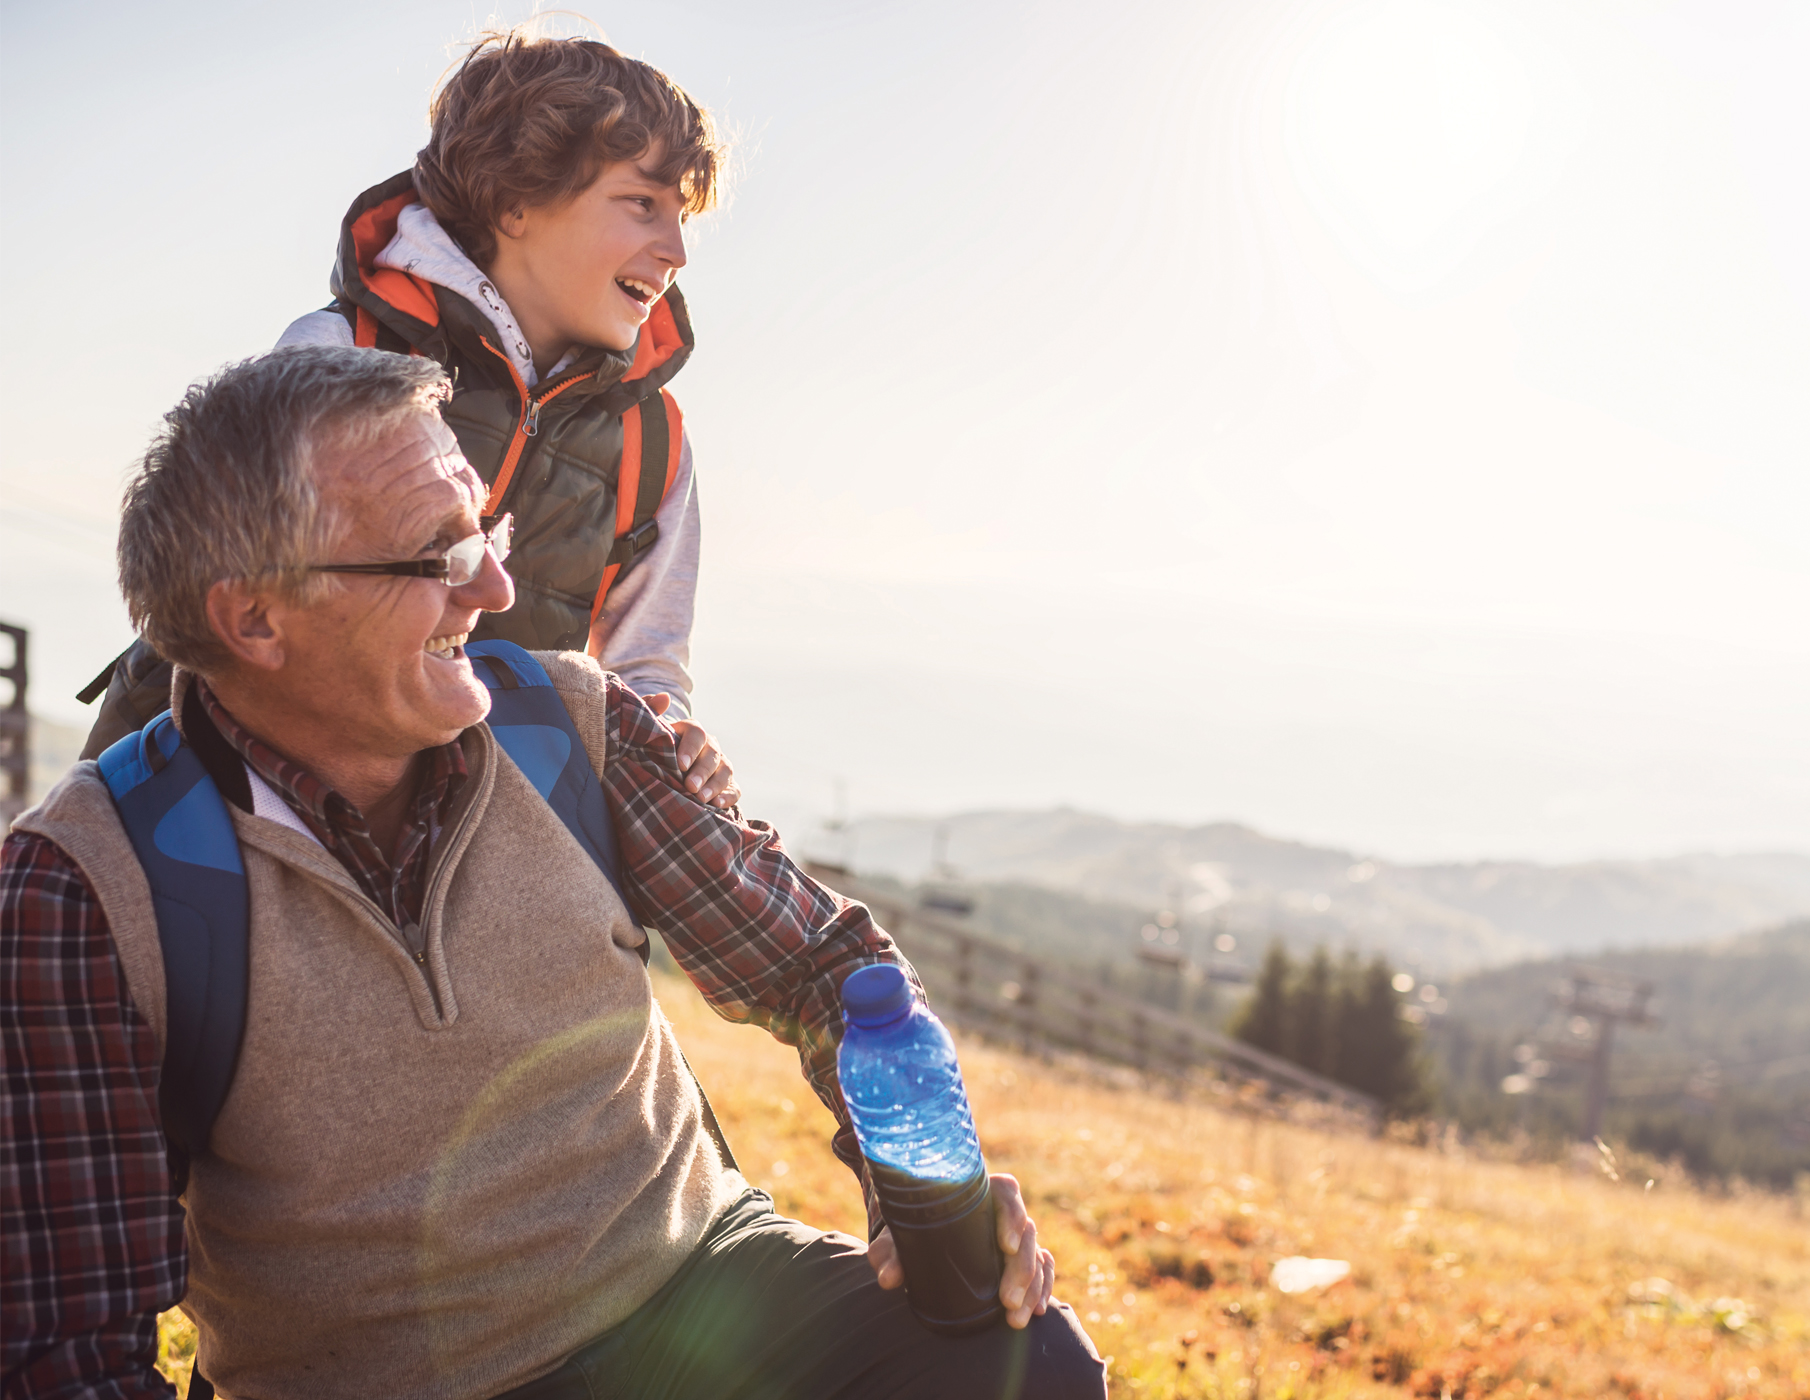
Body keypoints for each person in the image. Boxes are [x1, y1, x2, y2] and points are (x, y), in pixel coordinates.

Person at [1, 348, 1103, 1399]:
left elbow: (826, 966)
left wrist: (919, 1190)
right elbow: (67, 1354)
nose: (493, 585)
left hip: (700, 1293)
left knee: (1025, 1367)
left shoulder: (572, 725)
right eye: (438, 554)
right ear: (253, 617)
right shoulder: (81, 891)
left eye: (487, 527)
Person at [81, 25, 733, 809]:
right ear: (515, 201)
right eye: (642, 205)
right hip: (211, 791)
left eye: (682, 217)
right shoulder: (339, 351)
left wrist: (672, 732)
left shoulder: (650, 440)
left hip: (458, 822)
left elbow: (643, 670)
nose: (677, 251)